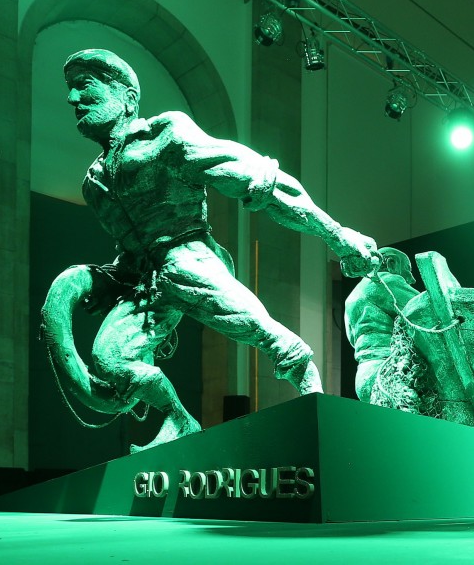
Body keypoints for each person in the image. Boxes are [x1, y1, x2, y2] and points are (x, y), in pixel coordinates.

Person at [60, 49, 379, 451]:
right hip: (146, 286)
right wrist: (108, 281)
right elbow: (129, 250)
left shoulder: (165, 136)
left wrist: (337, 235)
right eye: (70, 90)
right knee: (110, 360)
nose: (73, 99)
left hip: (189, 257)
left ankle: (314, 401)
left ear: (126, 97)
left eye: (85, 86)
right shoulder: (94, 183)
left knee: (257, 328)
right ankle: (179, 420)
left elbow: (260, 179)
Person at [344, 248, 419, 401]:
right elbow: (425, 309)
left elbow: (352, 339)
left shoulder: (350, 298)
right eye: (407, 270)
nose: (412, 279)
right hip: (391, 372)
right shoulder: (386, 282)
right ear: (391, 263)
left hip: (363, 376)